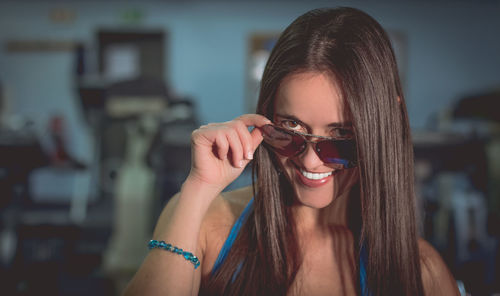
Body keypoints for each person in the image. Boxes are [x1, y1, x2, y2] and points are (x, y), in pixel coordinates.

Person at [124, 7, 459, 295]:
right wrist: (198, 188)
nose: (310, 160)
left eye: (341, 136)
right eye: (291, 130)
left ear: (382, 128)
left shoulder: (421, 272)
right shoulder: (209, 223)